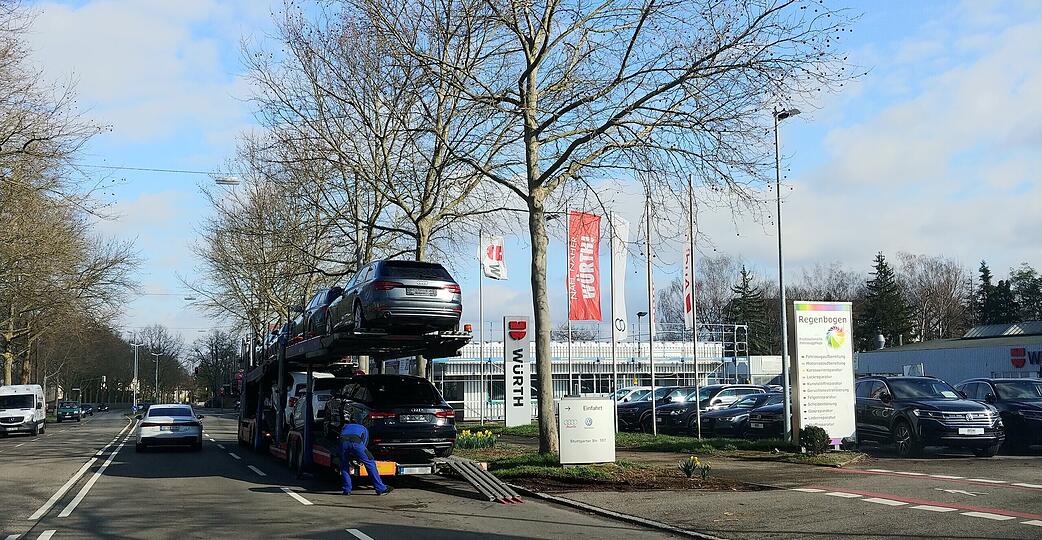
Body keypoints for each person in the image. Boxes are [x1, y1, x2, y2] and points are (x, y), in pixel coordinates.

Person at [339, 412, 393, 496]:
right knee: (370, 462)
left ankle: (347, 489)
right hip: (356, 442)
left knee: (344, 465)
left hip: (343, 442)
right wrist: (359, 457)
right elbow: (364, 443)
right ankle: (381, 488)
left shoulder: (345, 426)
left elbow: (341, 435)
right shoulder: (363, 428)